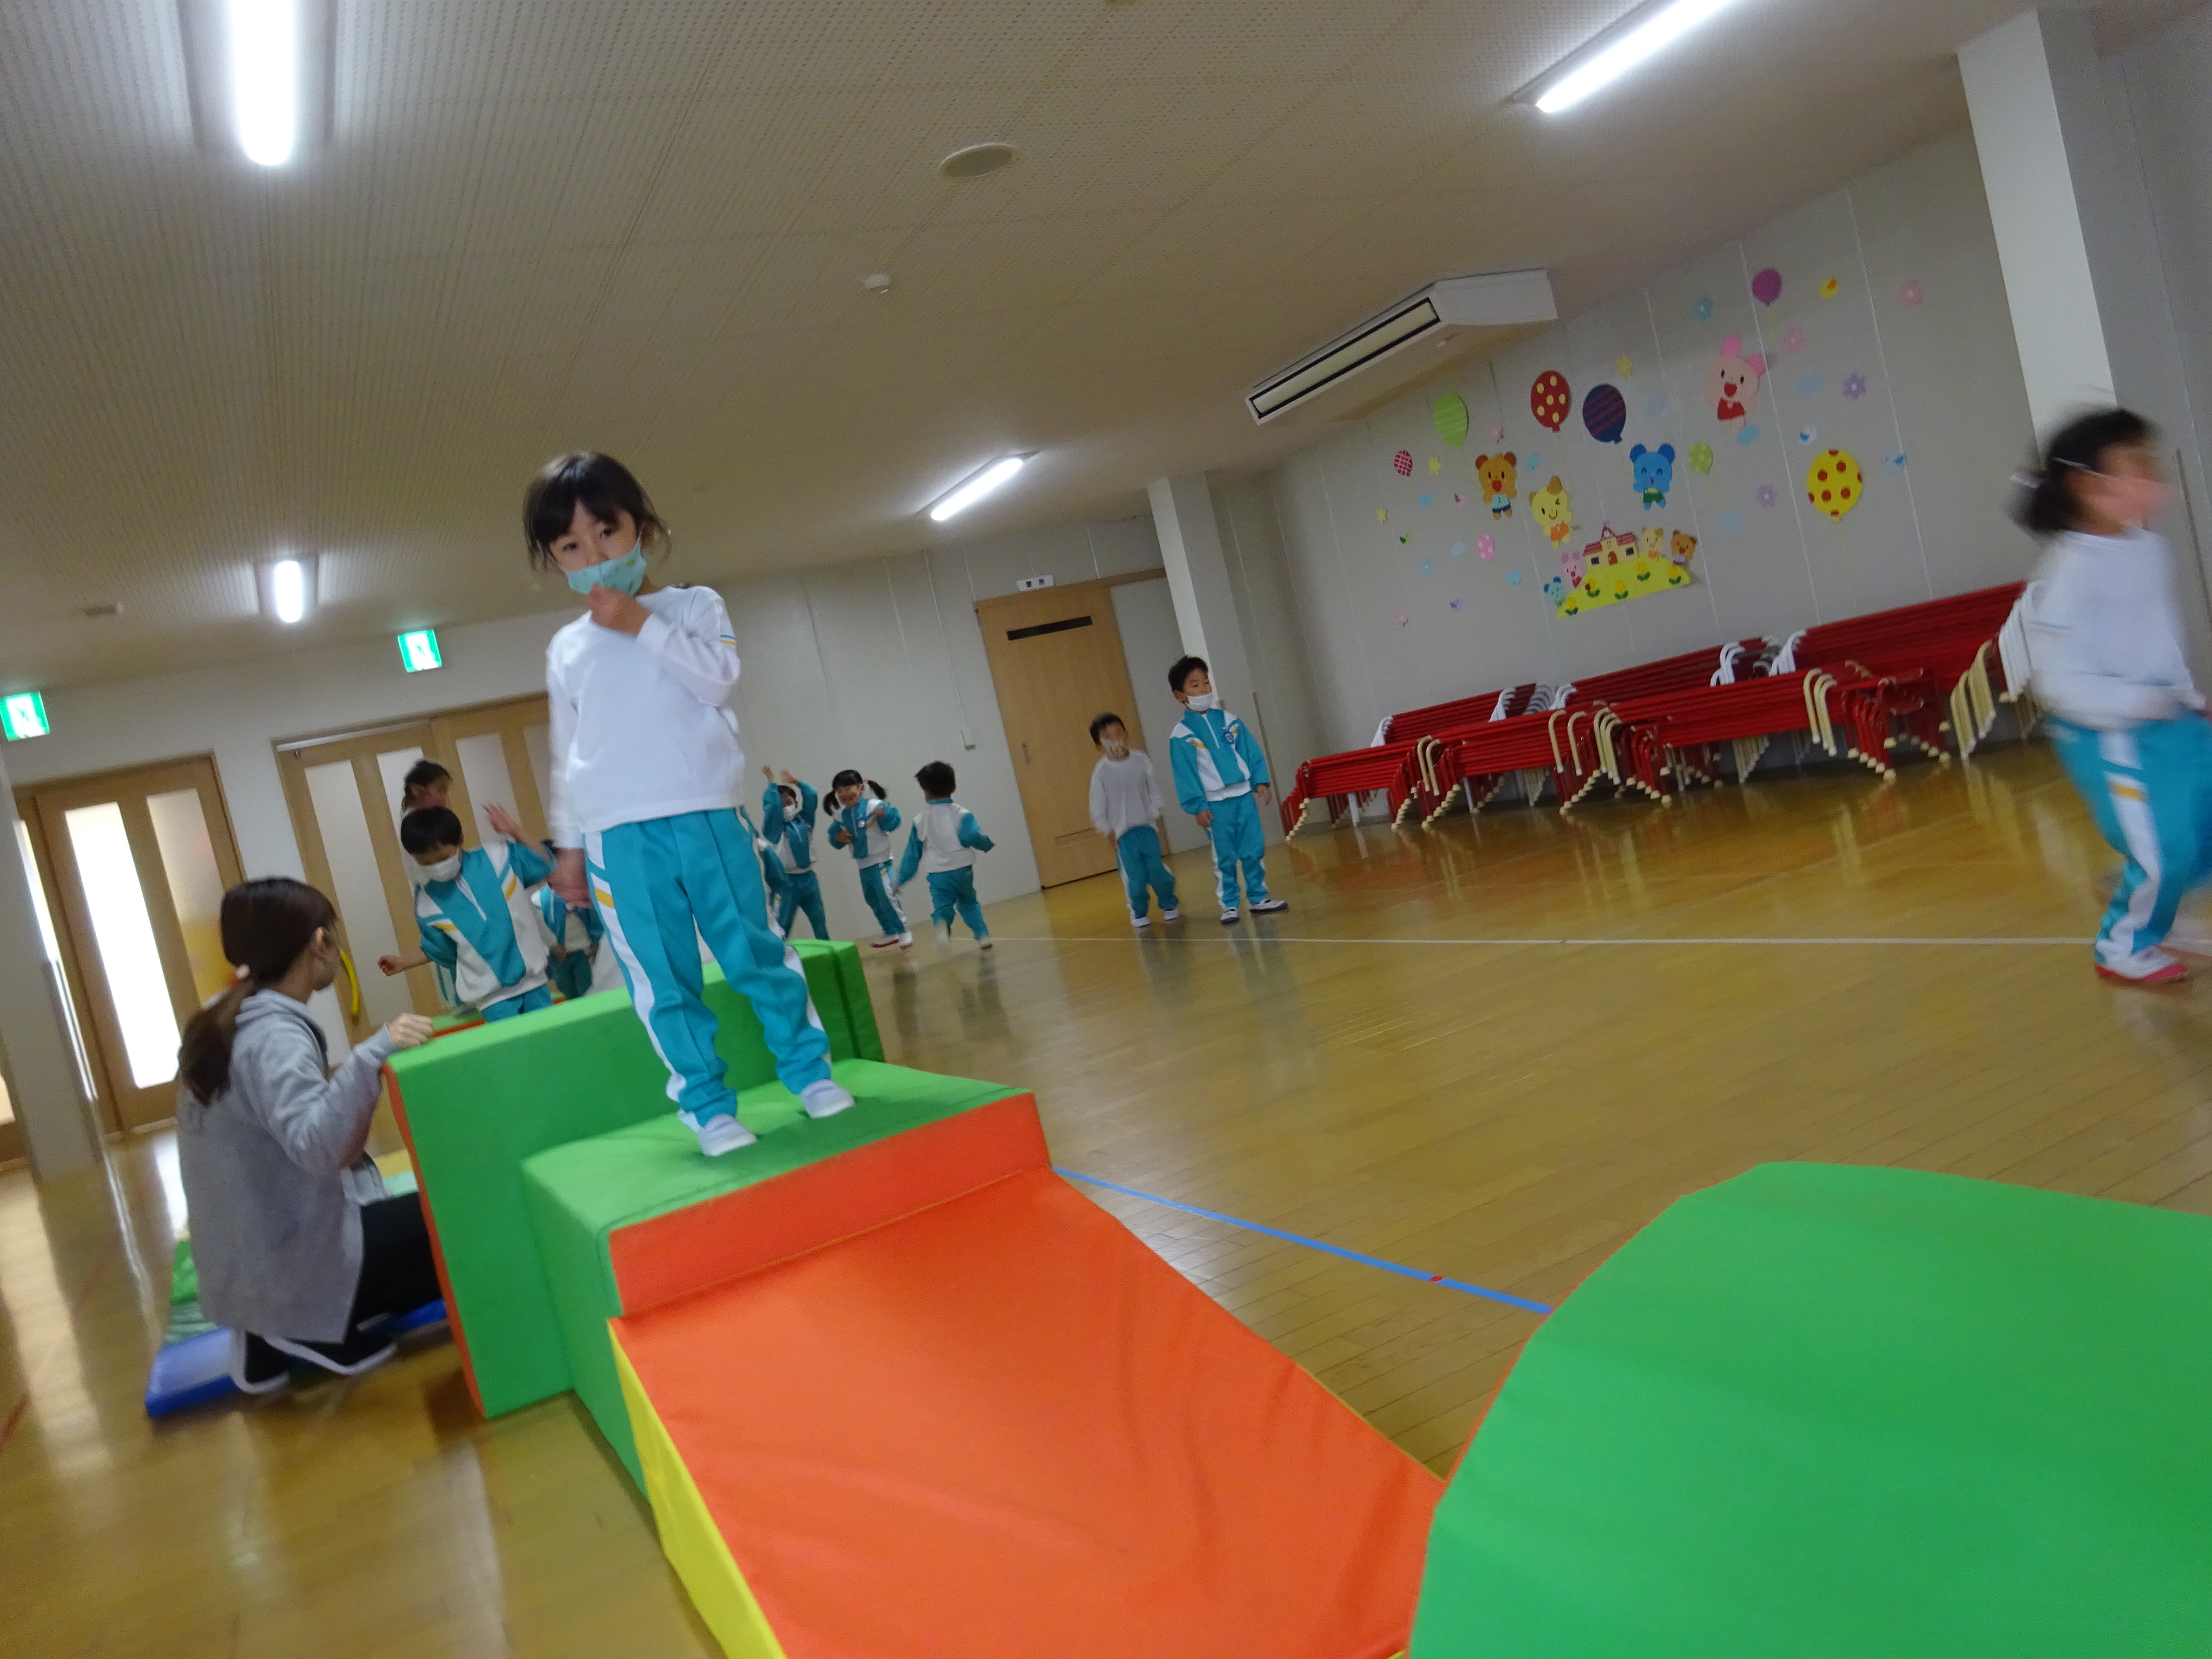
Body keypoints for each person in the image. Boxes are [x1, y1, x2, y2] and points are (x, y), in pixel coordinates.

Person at [526, 450, 850, 1156]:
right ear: (556, 560)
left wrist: (639, 622)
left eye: (606, 533)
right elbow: (566, 752)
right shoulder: (567, 648)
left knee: (755, 950)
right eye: (571, 547)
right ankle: (706, 1108)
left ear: (641, 529)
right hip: (618, 836)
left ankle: (809, 1072)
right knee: (662, 978)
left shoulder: (696, 606)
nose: (594, 556)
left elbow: (719, 680)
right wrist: (569, 846)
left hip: (708, 814)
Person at [175, 878, 438, 1392]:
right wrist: (373, 1052)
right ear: (320, 942)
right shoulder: (273, 1036)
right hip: (287, 1267)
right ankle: (308, 1326)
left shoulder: (225, 1017)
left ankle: (264, 1331)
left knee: (394, 1212)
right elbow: (321, 1149)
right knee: (456, 1215)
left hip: (243, 1267)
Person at [2022, 408, 2212, 985]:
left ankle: (2156, 895)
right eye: (2137, 465)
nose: (2151, 475)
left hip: (2169, 716)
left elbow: (2160, 638)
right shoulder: (2069, 571)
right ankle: (2123, 944)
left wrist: (2187, 696)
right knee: (2163, 846)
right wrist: (2135, 704)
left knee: (2201, 824)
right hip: (2110, 734)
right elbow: (2057, 681)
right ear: (2088, 485)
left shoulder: (2148, 549)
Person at [386, 806, 557, 1022]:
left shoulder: (499, 857)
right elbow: (442, 950)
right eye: (426, 862)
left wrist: (515, 830)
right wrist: (405, 962)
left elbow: (544, 864)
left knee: (550, 1037)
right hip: (492, 998)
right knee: (514, 1044)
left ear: (460, 840)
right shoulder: (426, 902)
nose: (437, 866)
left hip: (534, 981)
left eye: (444, 856)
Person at [1166, 656, 1289, 925]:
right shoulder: (1182, 735)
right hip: (1215, 805)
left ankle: (1258, 897)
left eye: (1206, 682)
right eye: (1195, 685)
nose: (1204, 689)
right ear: (1180, 695)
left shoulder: (1230, 720)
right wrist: (1197, 806)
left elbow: (1250, 751)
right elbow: (1185, 774)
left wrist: (1260, 781)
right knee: (1225, 856)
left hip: (1243, 797)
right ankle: (1230, 904)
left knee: (1253, 848)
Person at [1088, 711, 1180, 929]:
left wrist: (1155, 817)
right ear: (1099, 745)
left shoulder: (1141, 760)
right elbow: (1098, 806)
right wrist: (1108, 832)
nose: (1115, 740)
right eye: (1107, 738)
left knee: (1157, 871)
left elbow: (1153, 790)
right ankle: (1138, 910)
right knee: (1135, 878)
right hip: (1123, 836)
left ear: (1127, 734)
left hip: (1146, 828)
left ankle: (1168, 903)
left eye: (1119, 733)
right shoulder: (1101, 772)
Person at [895, 760, 996, 948]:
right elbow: (971, 836)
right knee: (968, 902)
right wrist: (987, 844)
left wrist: (900, 879)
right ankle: (982, 936)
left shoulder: (920, 820)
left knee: (942, 904)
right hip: (962, 870)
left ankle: (942, 922)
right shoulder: (962, 814)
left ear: (925, 792)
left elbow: (912, 855)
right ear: (954, 786)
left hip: (938, 874)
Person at [828, 769, 911, 949]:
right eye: (839, 791)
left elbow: (893, 823)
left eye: (848, 788)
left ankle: (903, 930)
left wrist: (885, 814)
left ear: (861, 788)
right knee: (872, 898)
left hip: (881, 861)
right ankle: (890, 931)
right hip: (863, 865)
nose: (844, 794)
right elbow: (834, 837)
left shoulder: (873, 806)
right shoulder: (841, 816)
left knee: (887, 894)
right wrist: (838, 839)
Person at [761, 766, 830, 940]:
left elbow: (812, 796)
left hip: (809, 878)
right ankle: (781, 954)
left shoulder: (804, 821)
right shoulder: (774, 829)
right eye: (782, 805)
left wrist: (797, 783)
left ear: (796, 803)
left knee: (819, 919)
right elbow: (772, 807)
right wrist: (771, 784)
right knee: (783, 923)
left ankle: (828, 948)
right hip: (786, 882)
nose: (787, 807)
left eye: (790, 802)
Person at [535, 856, 605, 1002]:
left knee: (586, 989)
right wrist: (550, 948)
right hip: (558, 955)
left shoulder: (579, 893)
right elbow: (539, 930)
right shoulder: (540, 900)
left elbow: (594, 920)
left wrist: (597, 943)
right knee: (567, 989)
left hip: (582, 951)